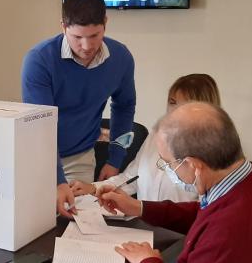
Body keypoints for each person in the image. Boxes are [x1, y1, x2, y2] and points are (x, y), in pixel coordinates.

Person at [99, 102, 252, 263]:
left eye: (167, 163)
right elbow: (206, 213)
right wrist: (139, 207)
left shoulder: (230, 233)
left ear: (194, 166)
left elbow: (220, 227)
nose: (167, 169)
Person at [21, 0, 136, 218]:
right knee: (38, 221)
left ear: (105, 23)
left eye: (94, 36)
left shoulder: (121, 57)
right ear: (63, 26)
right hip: (39, 157)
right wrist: (56, 179)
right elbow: (41, 126)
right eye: (77, 37)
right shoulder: (39, 60)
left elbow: (124, 106)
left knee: (79, 221)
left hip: (80, 155)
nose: (86, 45)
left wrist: (115, 158)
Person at [69, 74, 220, 202]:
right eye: (172, 102)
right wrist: (94, 188)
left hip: (181, 230)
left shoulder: (215, 151)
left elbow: (206, 210)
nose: (174, 110)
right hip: (144, 223)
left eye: (185, 104)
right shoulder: (157, 136)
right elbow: (131, 178)